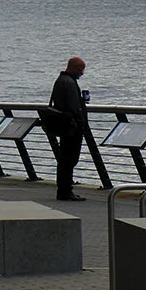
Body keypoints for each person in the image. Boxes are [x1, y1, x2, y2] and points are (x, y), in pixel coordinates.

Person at [42, 56, 90, 201]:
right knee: (69, 160)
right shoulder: (69, 83)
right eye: (81, 69)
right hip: (71, 127)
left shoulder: (60, 80)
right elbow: (74, 107)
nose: (82, 73)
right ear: (75, 68)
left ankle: (64, 190)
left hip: (63, 126)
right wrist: (80, 121)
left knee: (64, 159)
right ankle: (65, 191)